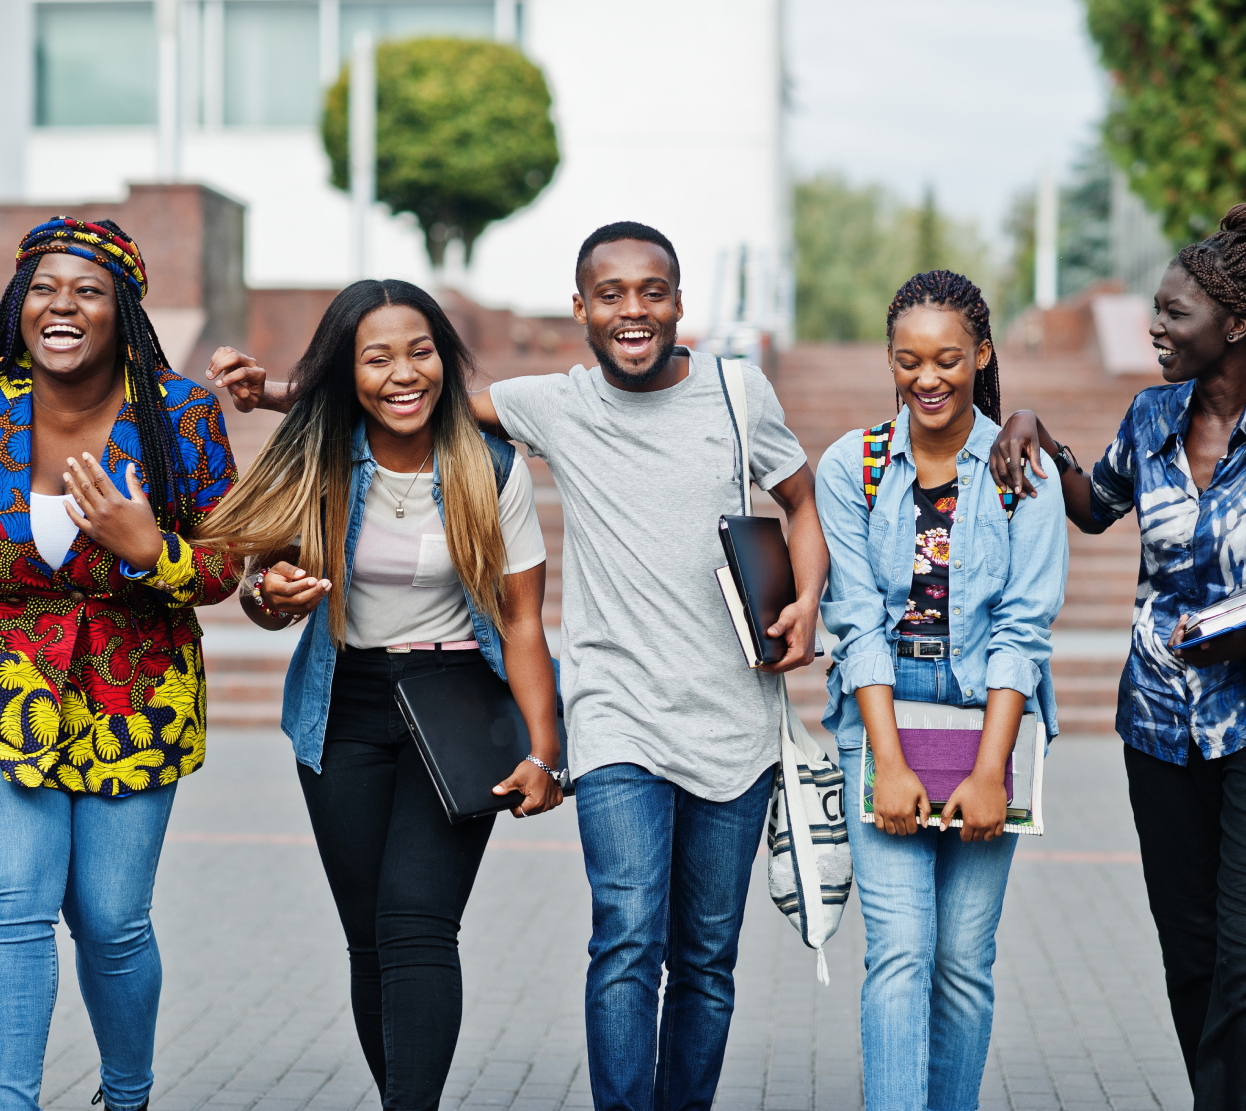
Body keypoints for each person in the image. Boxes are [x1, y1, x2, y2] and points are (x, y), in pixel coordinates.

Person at [217, 222, 827, 1111]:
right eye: (609, 294)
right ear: (578, 308)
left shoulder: (738, 394)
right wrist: (276, 394)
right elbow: (393, 396)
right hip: (608, 709)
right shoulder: (557, 402)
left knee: (705, 955)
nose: (633, 309)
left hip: (730, 711)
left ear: (680, 302)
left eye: (651, 291)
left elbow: (800, 500)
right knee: (621, 937)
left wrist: (808, 597)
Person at [195, 279, 561, 1111]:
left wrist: (546, 750)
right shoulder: (316, 456)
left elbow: (524, 623)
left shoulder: (489, 464)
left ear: (447, 359)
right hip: (345, 702)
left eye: (422, 350)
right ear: (346, 372)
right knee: (369, 942)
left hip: (458, 700)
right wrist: (269, 598)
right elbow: (257, 586)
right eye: (378, 356)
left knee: (416, 926)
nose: (406, 372)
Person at [990, 205, 1246, 1110]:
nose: (1157, 327)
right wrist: (1026, 421)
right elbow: (1095, 505)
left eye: (1176, 314)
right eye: (1157, 309)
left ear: (1235, 325)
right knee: (1187, 945)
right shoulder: (1152, 417)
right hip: (1156, 724)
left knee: (1241, 951)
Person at [0, 217, 239, 1111]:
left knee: (110, 922)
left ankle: (127, 1095)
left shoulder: (179, 416)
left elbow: (224, 564)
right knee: (14, 909)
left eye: (88, 289)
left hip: (136, 696)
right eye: (43, 287)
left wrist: (153, 549)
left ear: (123, 309)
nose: (61, 305)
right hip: (11, 689)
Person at [817, 271, 1067, 1111]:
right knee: (899, 950)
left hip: (987, 715)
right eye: (910, 360)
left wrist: (991, 770)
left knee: (963, 960)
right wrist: (887, 761)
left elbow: (1023, 630)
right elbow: (854, 621)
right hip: (881, 714)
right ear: (889, 359)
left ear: (981, 355)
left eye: (949, 360)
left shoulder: (1017, 468)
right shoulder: (851, 466)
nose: (929, 379)